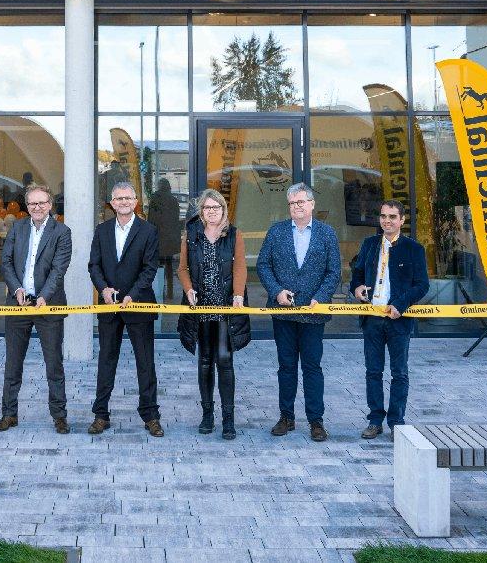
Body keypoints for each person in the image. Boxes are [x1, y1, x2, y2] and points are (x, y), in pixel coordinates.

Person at [256, 183, 341, 442]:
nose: (296, 207)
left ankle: (316, 421)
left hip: (313, 313)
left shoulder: (327, 233)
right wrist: (276, 292)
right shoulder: (276, 231)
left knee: (312, 367)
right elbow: (263, 265)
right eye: (292, 203)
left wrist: (321, 297)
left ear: (312, 204)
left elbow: (334, 271)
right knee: (286, 367)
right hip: (283, 313)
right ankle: (286, 417)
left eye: (301, 202)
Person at [0, 184, 73, 435]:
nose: (37, 207)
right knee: (13, 364)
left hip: (48, 306)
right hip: (18, 305)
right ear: (27, 206)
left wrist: (44, 296)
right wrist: (16, 289)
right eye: (32, 203)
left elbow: (59, 269)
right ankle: (9, 414)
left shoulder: (62, 232)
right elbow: (6, 262)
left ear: (50, 205)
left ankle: (59, 416)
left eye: (41, 203)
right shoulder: (17, 228)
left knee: (54, 365)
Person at [87, 181, 163, 437]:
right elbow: (94, 265)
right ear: (112, 203)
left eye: (128, 198)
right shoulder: (102, 230)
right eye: (119, 198)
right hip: (109, 305)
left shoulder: (148, 231)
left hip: (138, 304)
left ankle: (151, 416)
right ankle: (101, 415)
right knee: (106, 360)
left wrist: (132, 295)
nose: (123, 202)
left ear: (136, 202)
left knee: (145, 362)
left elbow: (150, 268)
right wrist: (103, 289)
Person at [350, 199, 429, 441]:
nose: (387, 221)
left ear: (402, 220)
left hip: (398, 320)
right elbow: (357, 275)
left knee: (399, 372)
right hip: (372, 319)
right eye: (383, 216)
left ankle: (396, 422)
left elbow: (422, 285)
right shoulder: (369, 244)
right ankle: (375, 421)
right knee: (373, 371)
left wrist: (400, 305)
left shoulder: (414, 249)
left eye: (392, 216)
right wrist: (357, 289)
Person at [176, 189, 250, 440]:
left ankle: (228, 419)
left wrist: (238, 294)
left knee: (225, 361)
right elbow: (182, 269)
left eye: (216, 207)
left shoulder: (234, 234)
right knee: (205, 361)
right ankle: (207, 415)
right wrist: (188, 289)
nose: (211, 212)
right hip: (201, 308)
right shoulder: (191, 234)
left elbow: (240, 267)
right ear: (201, 211)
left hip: (225, 307)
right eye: (207, 208)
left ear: (223, 210)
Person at [147, 178, 181, 300]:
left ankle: (159, 291)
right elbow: (176, 220)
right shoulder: (173, 200)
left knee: (157, 266)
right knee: (169, 265)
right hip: (170, 239)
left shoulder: (154, 199)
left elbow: (151, 220)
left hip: (158, 238)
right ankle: (170, 292)